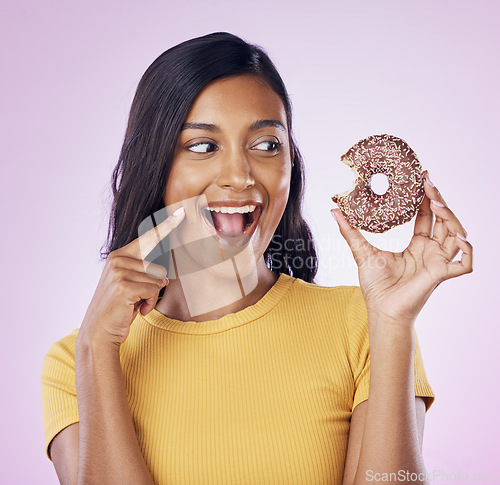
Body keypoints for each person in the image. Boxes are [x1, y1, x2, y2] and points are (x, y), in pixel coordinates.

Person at [41, 32, 473, 485]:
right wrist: (98, 349)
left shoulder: (364, 324)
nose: (239, 176)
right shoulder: (77, 362)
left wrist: (393, 322)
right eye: (204, 146)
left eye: (266, 145)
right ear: (155, 165)